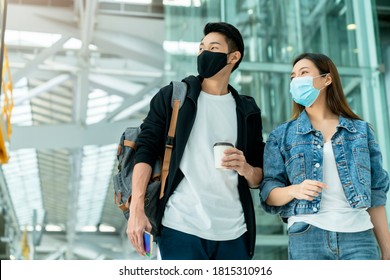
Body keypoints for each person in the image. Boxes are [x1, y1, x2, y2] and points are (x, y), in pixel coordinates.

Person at [127, 22, 265, 260]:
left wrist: (245, 168)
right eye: (201, 48)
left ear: (233, 57)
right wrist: (136, 209)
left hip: (234, 233)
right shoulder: (175, 97)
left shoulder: (247, 110)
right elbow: (146, 150)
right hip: (181, 226)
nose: (203, 54)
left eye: (213, 47)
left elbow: (258, 178)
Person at [260, 52, 390, 260]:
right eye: (293, 77)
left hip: (359, 237)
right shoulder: (282, 135)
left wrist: (387, 250)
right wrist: (296, 190)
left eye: (303, 73)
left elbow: (376, 195)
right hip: (307, 236)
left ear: (327, 79)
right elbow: (268, 193)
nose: (296, 81)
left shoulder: (360, 131)